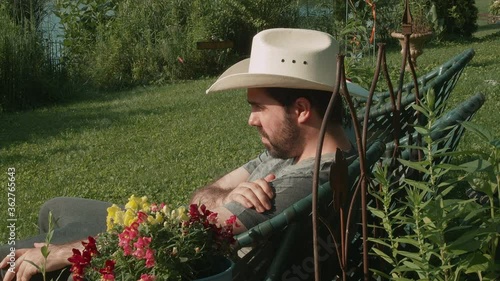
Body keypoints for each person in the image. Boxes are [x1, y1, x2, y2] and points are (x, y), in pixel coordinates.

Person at [0, 28, 361, 281]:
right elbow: (202, 198)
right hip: (171, 234)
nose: (251, 120)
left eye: (258, 107)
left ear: (300, 108)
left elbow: (181, 234)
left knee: (17, 253)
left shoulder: (300, 182)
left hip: (180, 260)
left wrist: (58, 254)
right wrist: (226, 197)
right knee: (55, 207)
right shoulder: (295, 150)